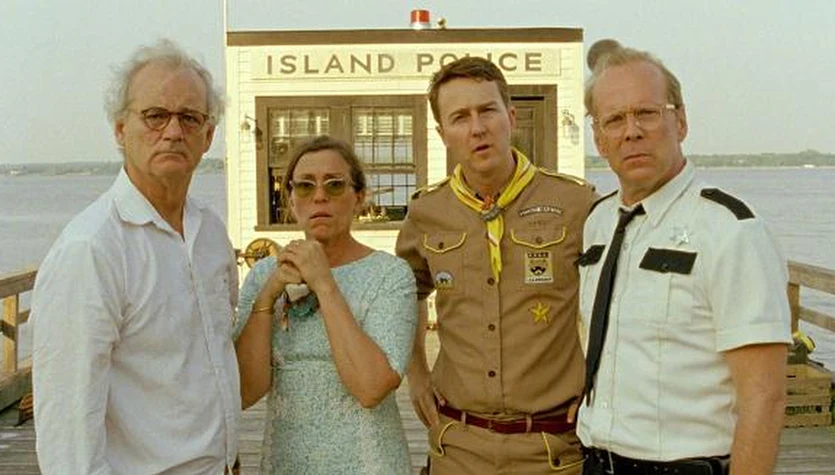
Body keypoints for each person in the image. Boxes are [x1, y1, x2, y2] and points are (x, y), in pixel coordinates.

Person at [577, 40, 790, 475]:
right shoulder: (598, 223)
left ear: (681, 122)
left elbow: (764, 397)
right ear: (599, 139)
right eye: (614, 119)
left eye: (647, 113)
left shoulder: (730, 231)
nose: (631, 131)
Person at [30, 39, 240, 473]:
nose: (173, 131)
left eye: (190, 118)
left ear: (208, 136)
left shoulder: (210, 234)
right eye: (155, 116)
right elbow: (68, 429)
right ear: (120, 130)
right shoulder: (91, 249)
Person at [396, 57, 596, 474]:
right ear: (443, 134)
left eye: (487, 110)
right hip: (458, 446)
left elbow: (616, 299)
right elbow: (405, 291)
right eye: (460, 117)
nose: (477, 128)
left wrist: (600, 381)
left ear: (511, 117)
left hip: (550, 447)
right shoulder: (427, 212)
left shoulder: (575, 204)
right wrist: (416, 373)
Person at [234, 135, 417, 474]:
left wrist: (324, 284)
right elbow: (245, 391)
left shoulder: (389, 276)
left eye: (334, 185)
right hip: (286, 465)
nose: (319, 196)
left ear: (359, 197)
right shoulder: (264, 276)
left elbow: (371, 387)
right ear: (290, 200)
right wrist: (267, 297)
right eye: (305, 186)